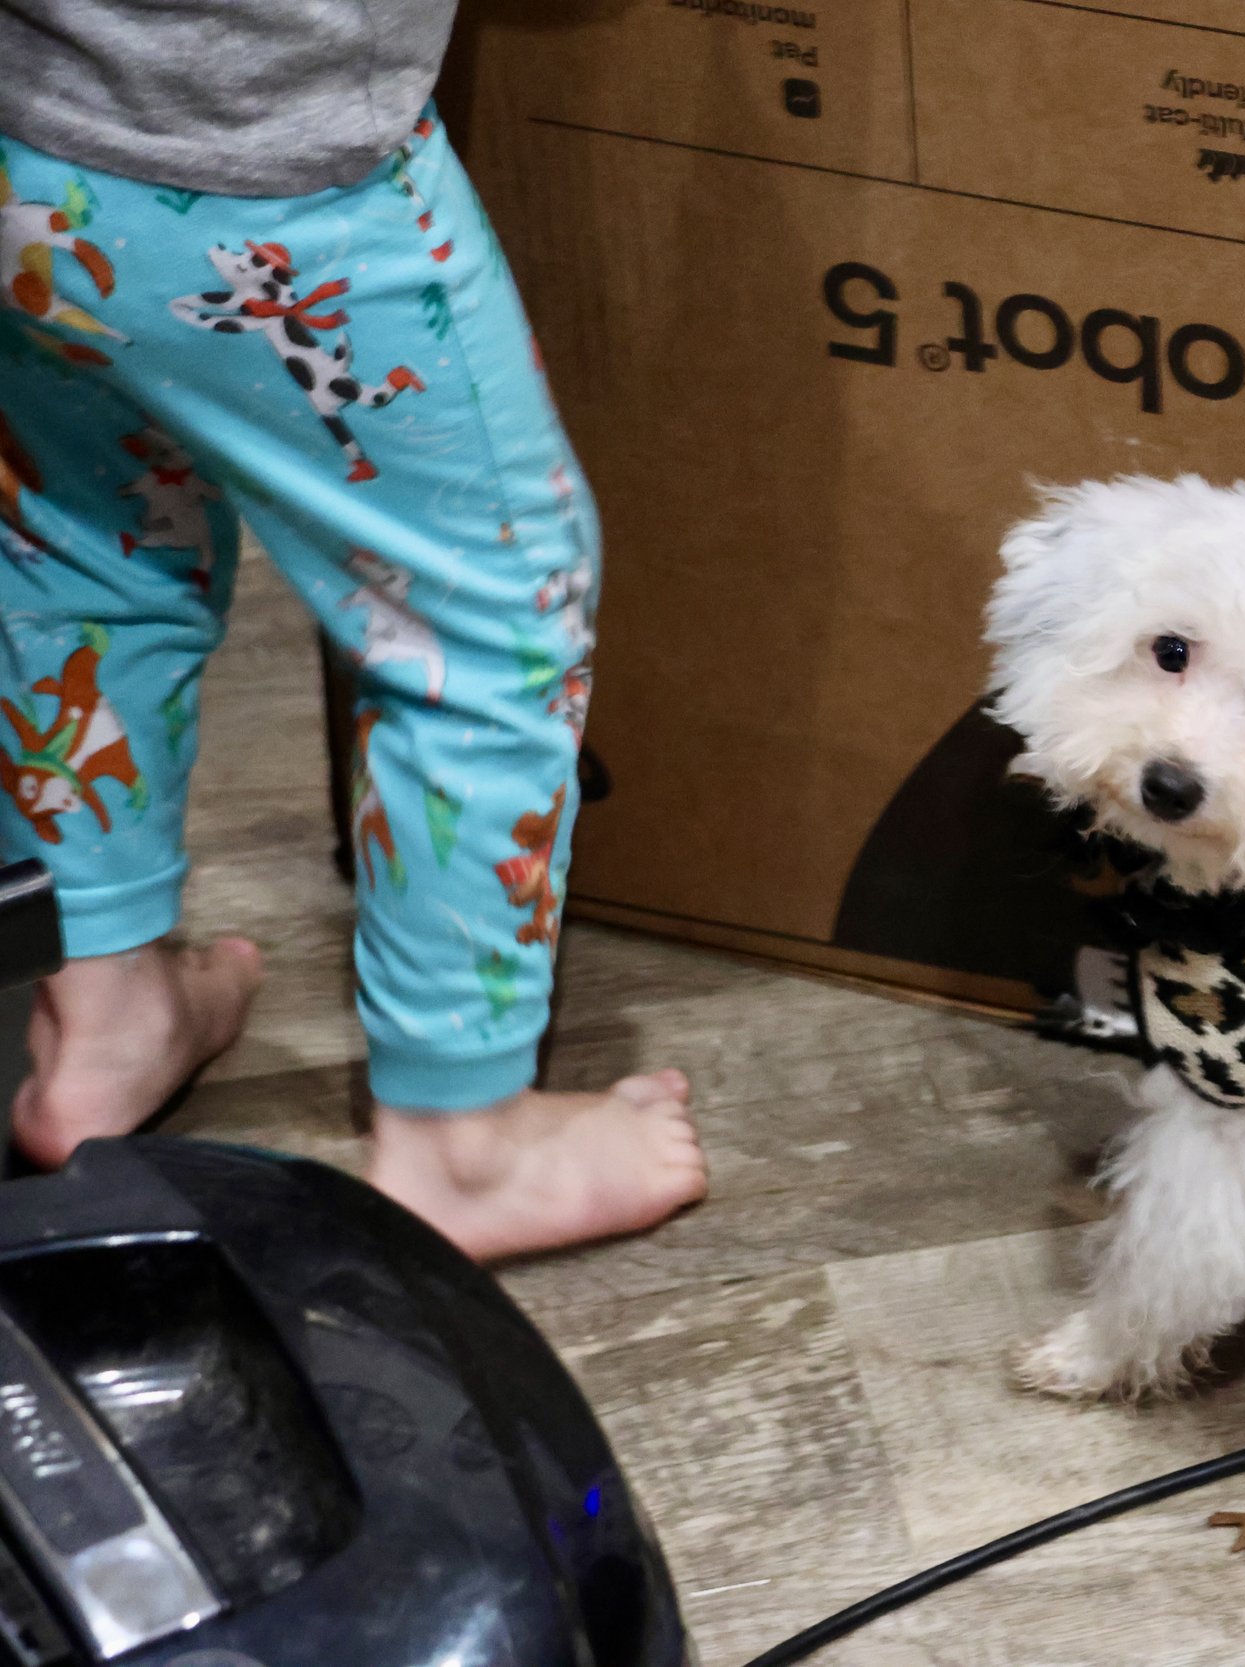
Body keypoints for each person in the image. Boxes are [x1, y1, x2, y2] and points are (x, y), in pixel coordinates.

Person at [0, 1, 708, 1258]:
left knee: (88, 544)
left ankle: (99, 1012)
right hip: (273, 178)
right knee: (485, 616)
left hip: (32, 149)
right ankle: (464, 1141)